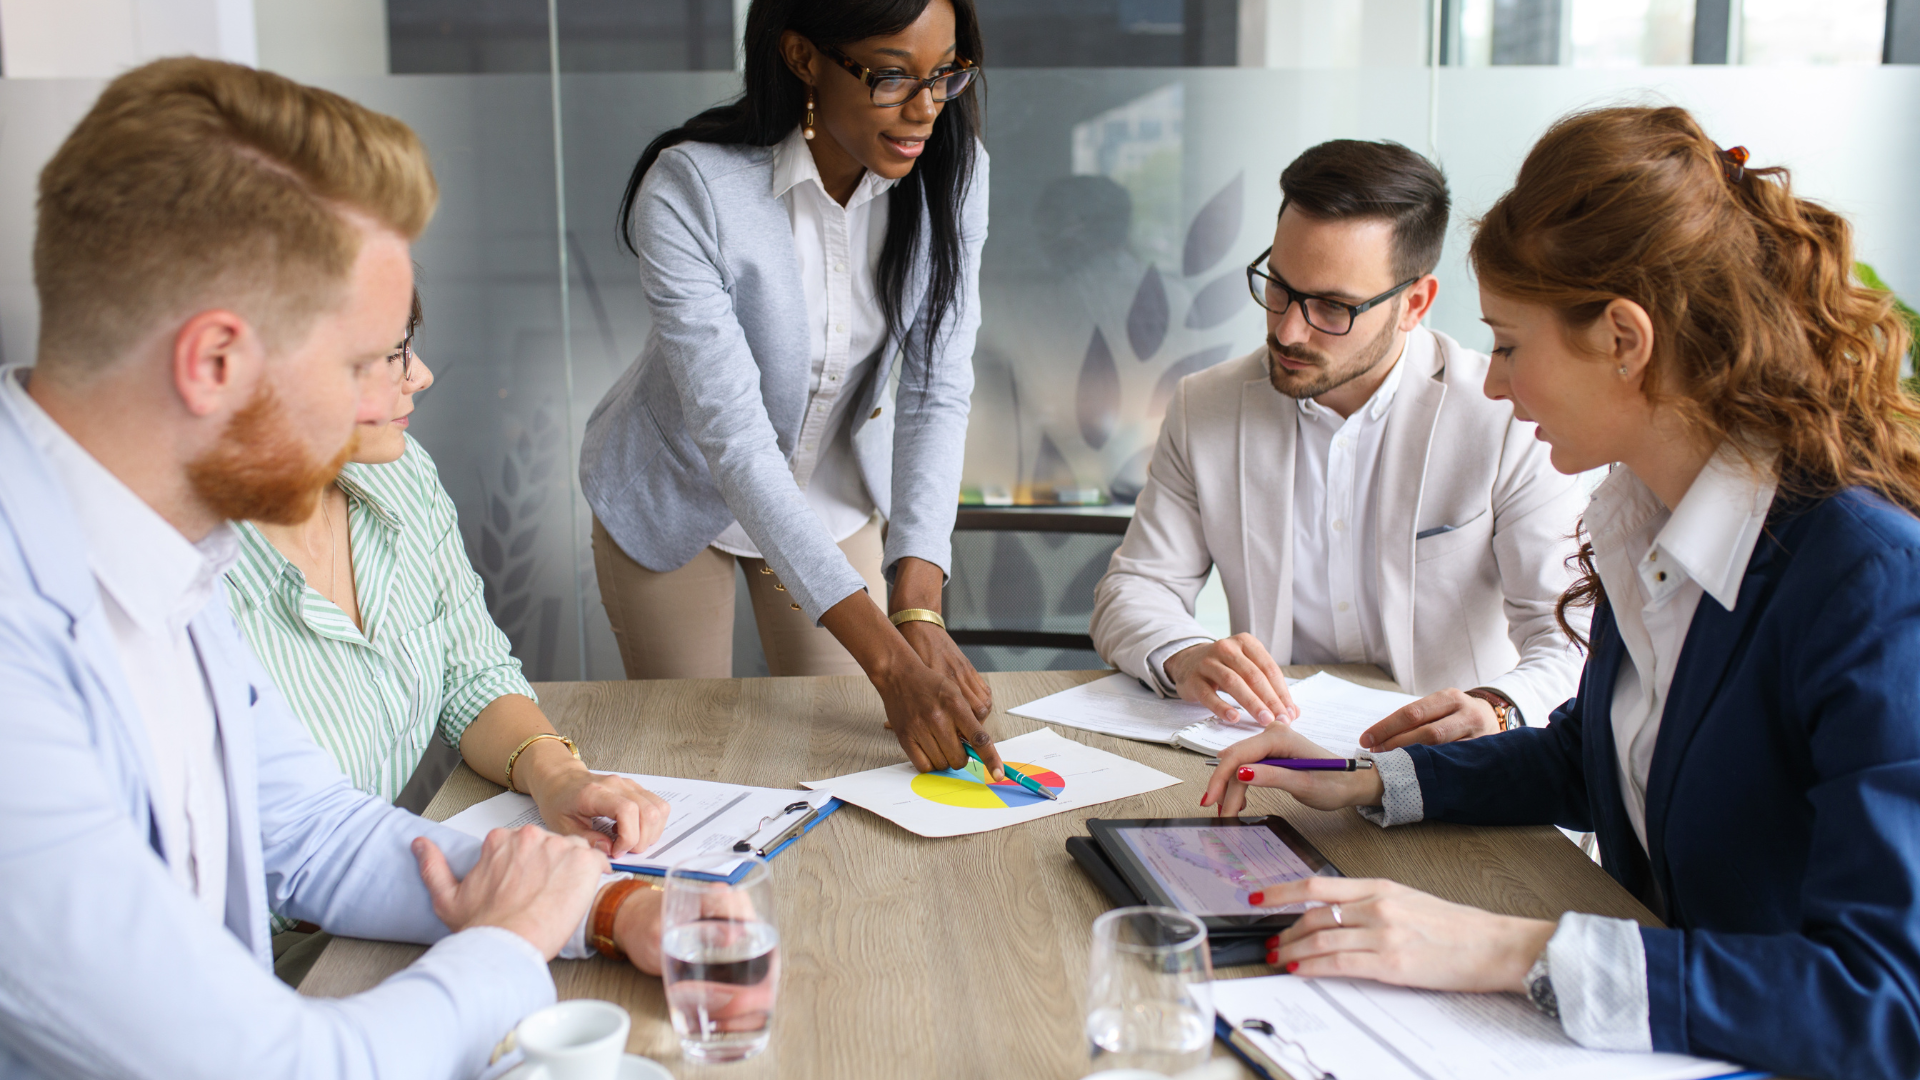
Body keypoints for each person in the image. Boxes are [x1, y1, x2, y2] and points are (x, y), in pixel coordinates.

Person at [1204, 106, 1920, 1080]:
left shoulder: (1864, 576)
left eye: (1507, 344)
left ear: (1623, 339)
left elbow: (1885, 1001)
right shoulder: (1646, 514)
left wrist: (1499, 951)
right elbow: (1598, 757)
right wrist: (1366, 777)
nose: (1493, 386)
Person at [0, 58, 675, 1079]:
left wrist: (610, 906)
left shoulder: (154, 539)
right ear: (215, 364)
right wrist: (508, 945)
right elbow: (284, 1068)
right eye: (365, 362)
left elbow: (310, 828)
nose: (402, 388)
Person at [582, 0, 1003, 777]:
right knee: (692, 764)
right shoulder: (690, 189)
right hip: (679, 498)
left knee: (862, 762)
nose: (925, 109)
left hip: (832, 499)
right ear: (805, 57)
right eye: (891, 76)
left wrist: (916, 605)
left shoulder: (954, 171)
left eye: (944, 74)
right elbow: (735, 442)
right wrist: (890, 661)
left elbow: (936, 391)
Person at [226, 291, 669, 984]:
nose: (422, 374)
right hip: (273, 963)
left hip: (381, 892)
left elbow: (473, 671)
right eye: (394, 352)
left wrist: (560, 779)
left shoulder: (398, 474)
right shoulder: (189, 581)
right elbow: (302, 849)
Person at [1091, 140, 1587, 751]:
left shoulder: (1504, 413)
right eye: (1279, 286)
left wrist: (1499, 709)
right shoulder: (1206, 406)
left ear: (1414, 304)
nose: (1287, 329)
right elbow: (1134, 589)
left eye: (1333, 307)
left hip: (1453, 769)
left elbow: (1570, 632)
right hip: (1275, 756)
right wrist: (1187, 653)